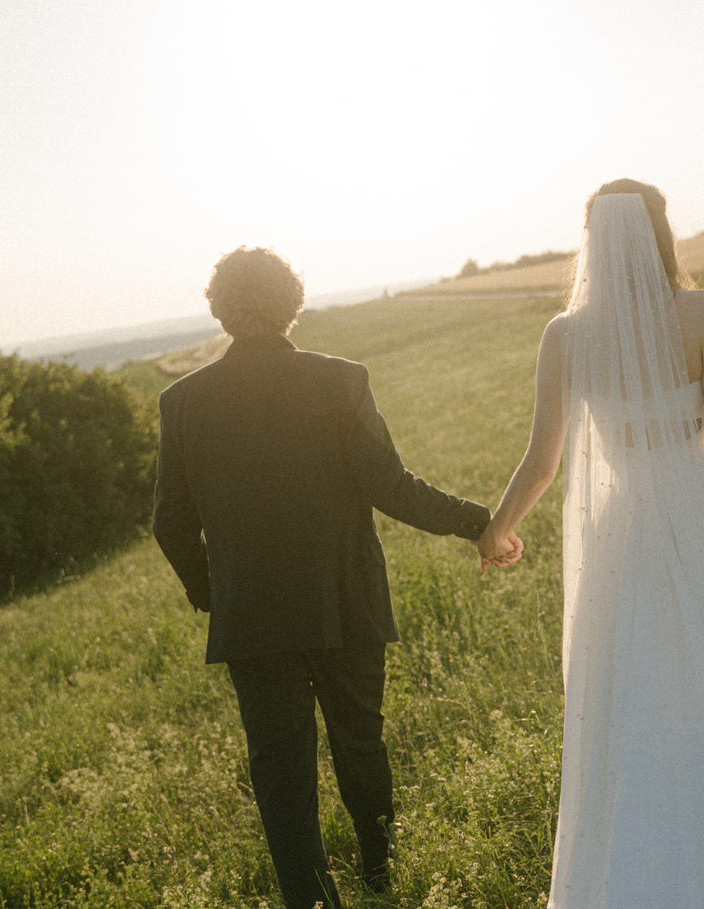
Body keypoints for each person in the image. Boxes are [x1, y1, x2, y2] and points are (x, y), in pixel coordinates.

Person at [476, 180, 704, 907]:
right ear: (659, 233)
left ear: (592, 243)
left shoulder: (566, 334)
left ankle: (649, 859)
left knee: (641, 692)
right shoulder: (703, 312)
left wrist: (498, 528)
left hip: (623, 529)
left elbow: (542, 461)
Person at [153, 246, 521, 909]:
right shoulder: (340, 379)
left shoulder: (182, 401)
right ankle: (380, 872)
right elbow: (390, 485)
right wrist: (480, 523)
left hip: (250, 616)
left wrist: (212, 592)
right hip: (345, 600)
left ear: (220, 309)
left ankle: (310, 896)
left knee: (278, 765)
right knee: (361, 741)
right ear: (292, 303)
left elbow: (169, 523)